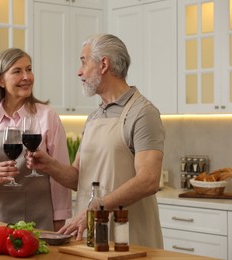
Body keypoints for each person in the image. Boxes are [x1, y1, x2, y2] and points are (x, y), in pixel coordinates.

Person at [25, 34, 165, 248]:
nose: (78, 71)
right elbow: (79, 178)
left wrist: (97, 206)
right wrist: (49, 165)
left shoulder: (143, 113)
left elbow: (149, 179)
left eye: (83, 61)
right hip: (91, 234)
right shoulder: (94, 117)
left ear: (104, 64)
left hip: (129, 237)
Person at [0, 48, 72, 231]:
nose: (26, 76)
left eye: (29, 69)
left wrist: (59, 217)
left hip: (36, 217)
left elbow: (59, 173)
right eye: (17, 71)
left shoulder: (47, 116)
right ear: (0, 80)